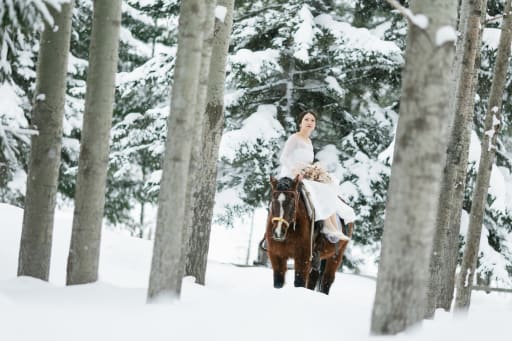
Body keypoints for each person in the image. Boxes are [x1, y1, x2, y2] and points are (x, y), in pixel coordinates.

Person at [278, 110, 356, 242]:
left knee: (330, 188)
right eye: (306, 120)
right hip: (292, 175)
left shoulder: (309, 141)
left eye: (312, 120)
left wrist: (315, 169)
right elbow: (284, 158)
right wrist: (295, 171)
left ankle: (333, 227)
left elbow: (307, 162)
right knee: (320, 190)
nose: (309, 122)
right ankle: (327, 225)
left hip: (306, 175)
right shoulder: (295, 138)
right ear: (300, 123)